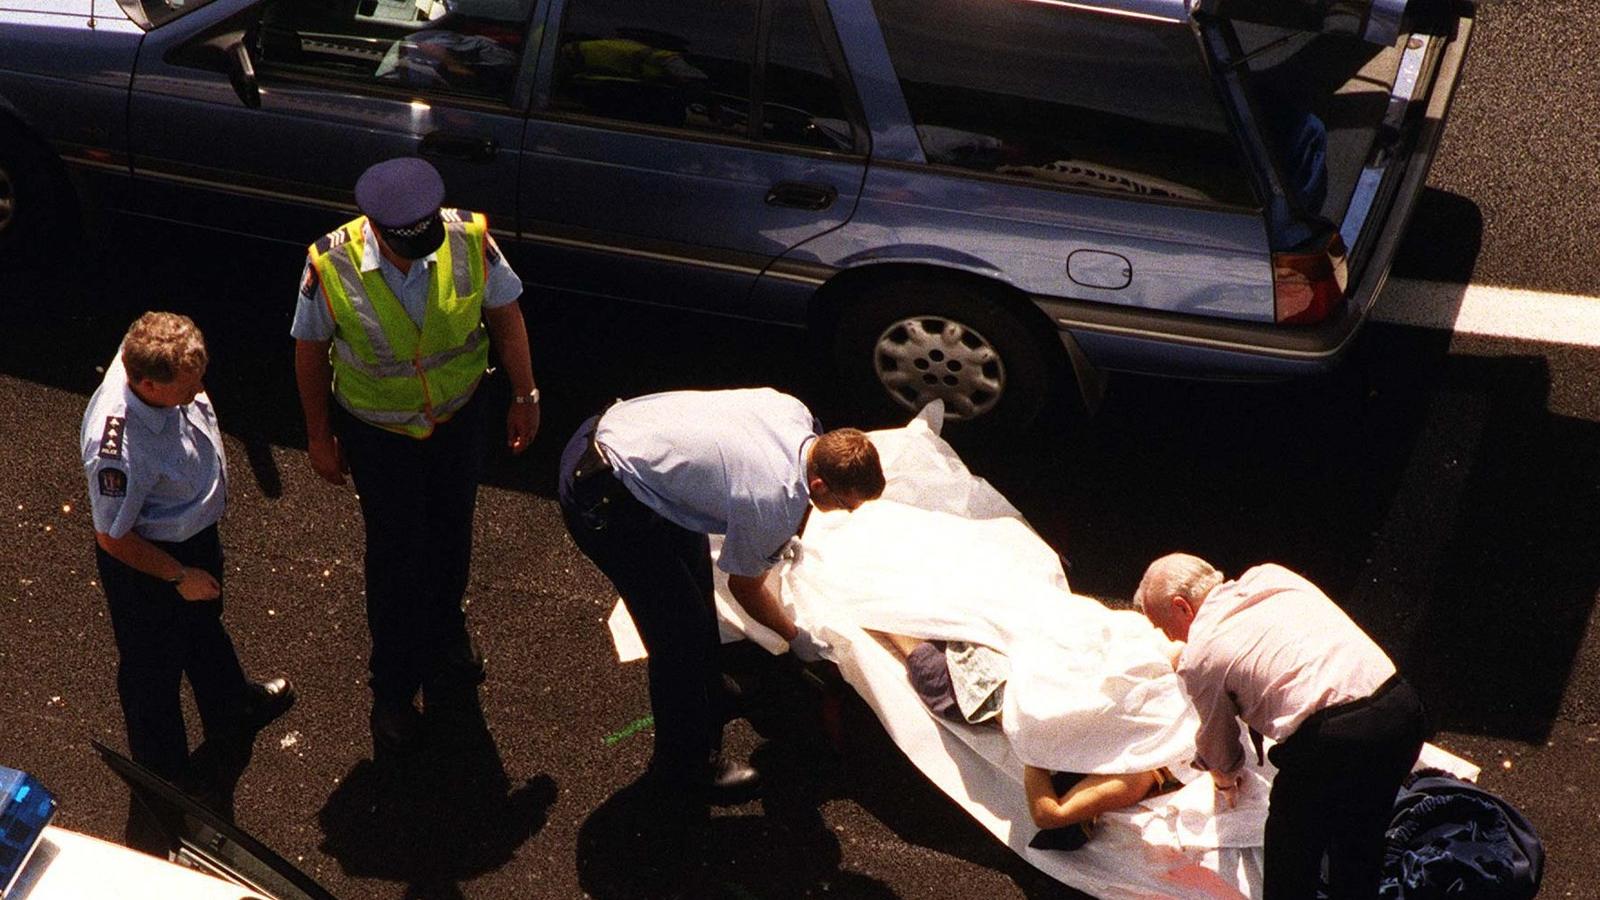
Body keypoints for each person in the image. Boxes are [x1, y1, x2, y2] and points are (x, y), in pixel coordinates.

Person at [292, 156, 539, 754]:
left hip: (459, 416)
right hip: (379, 432)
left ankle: (447, 631)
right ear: (375, 227)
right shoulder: (329, 262)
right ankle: (393, 689)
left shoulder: (467, 237)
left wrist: (525, 392)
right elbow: (309, 350)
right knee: (396, 556)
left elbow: (505, 315)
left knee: (453, 532)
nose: (420, 251)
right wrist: (319, 435)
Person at [557, 388, 884, 803]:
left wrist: (780, 539)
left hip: (626, 440)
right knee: (678, 641)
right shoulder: (772, 502)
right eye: (843, 504)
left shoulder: (797, 415)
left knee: (696, 589)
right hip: (604, 496)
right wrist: (797, 638)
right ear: (818, 483)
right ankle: (685, 768)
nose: (847, 512)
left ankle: (708, 690)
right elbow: (744, 589)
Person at [82, 312, 296, 853]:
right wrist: (178, 575)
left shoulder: (153, 358)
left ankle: (232, 708)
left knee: (204, 628)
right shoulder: (119, 449)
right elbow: (113, 536)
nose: (201, 390)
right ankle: (165, 784)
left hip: (192, 539)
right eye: (189, 386)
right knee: (152, 674)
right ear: (148, 385)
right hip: (153, 562)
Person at [1134, 554, 1427, 899]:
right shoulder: (1270, 575)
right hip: (1402, 709)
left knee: (1291, 859)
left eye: (1166, 627)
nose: (1172, 638)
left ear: (1183, 607)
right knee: (1359, 838)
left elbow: (1221, 751)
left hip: (1337, 739)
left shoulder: (1201, 654)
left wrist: (1224, 782)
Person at [874, 631, 1180, 851]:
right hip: (1033, 667)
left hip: (991, 689)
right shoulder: (1164, 728)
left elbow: (1050, 815)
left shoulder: (1137, 774)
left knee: (916, 647)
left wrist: (1035, 750)